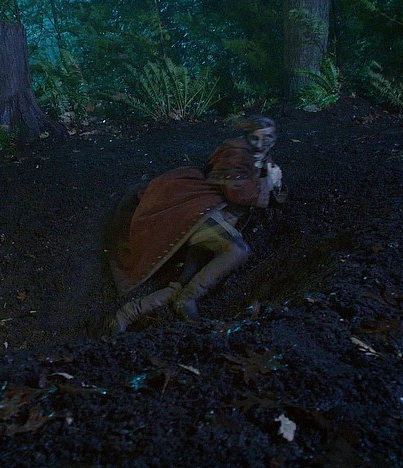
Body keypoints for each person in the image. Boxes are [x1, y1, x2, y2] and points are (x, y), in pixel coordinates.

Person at [108, 116, 285, 332]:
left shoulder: (262, 157)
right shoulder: (235, 151)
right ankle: (188, 300)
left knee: (185, 282)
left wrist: (274, 181)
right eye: (256, 138)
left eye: (267, 139)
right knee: (237, 250)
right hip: (204, 215)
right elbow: (237, 191)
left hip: (218, 223)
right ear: (248, 136)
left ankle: (126, 314)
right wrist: (269, 181)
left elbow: (271, 193)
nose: (261, 144)